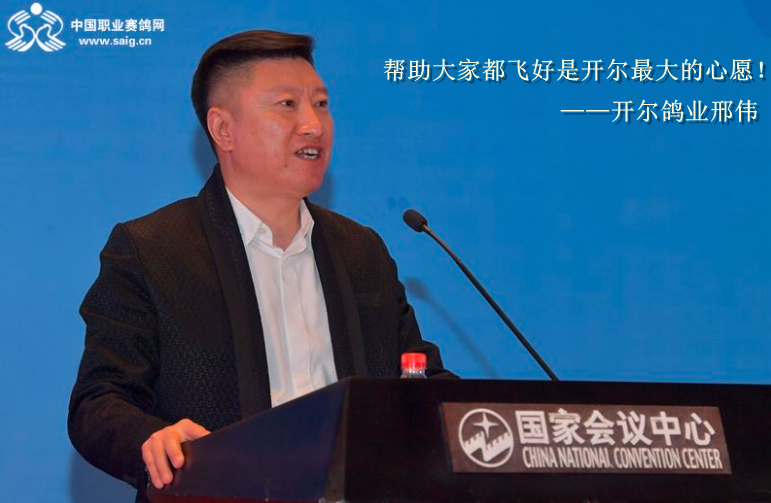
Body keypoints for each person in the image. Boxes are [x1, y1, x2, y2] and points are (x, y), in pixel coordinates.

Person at [68, 29, 454, 502]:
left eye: (321, 104)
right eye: (287, 105)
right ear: (223, 130)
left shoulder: (361, 251)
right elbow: (99, 401)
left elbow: (419, 378)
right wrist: (151, 438)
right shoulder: (152, 250)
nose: (314, 124)